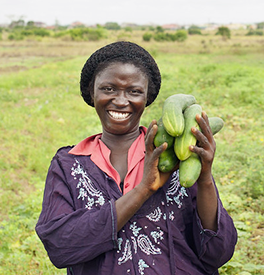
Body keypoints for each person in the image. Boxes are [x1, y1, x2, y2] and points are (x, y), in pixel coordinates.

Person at [35, 41, 237, 275]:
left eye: (134, 91)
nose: (121, 101)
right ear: (92, 92)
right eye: (108, 89)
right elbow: (61, 246)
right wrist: (143, 190)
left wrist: (204, 178)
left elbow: (218, 253)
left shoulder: (174, 155)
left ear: (147, 96)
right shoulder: (69, 164)